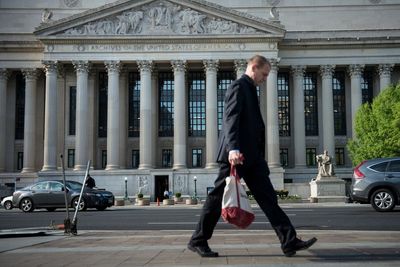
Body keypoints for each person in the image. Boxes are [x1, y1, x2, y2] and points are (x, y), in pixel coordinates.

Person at [188, 55, 317, 258]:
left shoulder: (250, 89)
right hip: (236, 155)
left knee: (269, 199)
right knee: (216, 198)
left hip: (252, 158)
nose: (265, 79)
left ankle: (289, 241)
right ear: (254, 68)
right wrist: (232, 149)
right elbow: (230, 118)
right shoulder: (239, 87)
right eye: (264, 74)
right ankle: (198, 240)